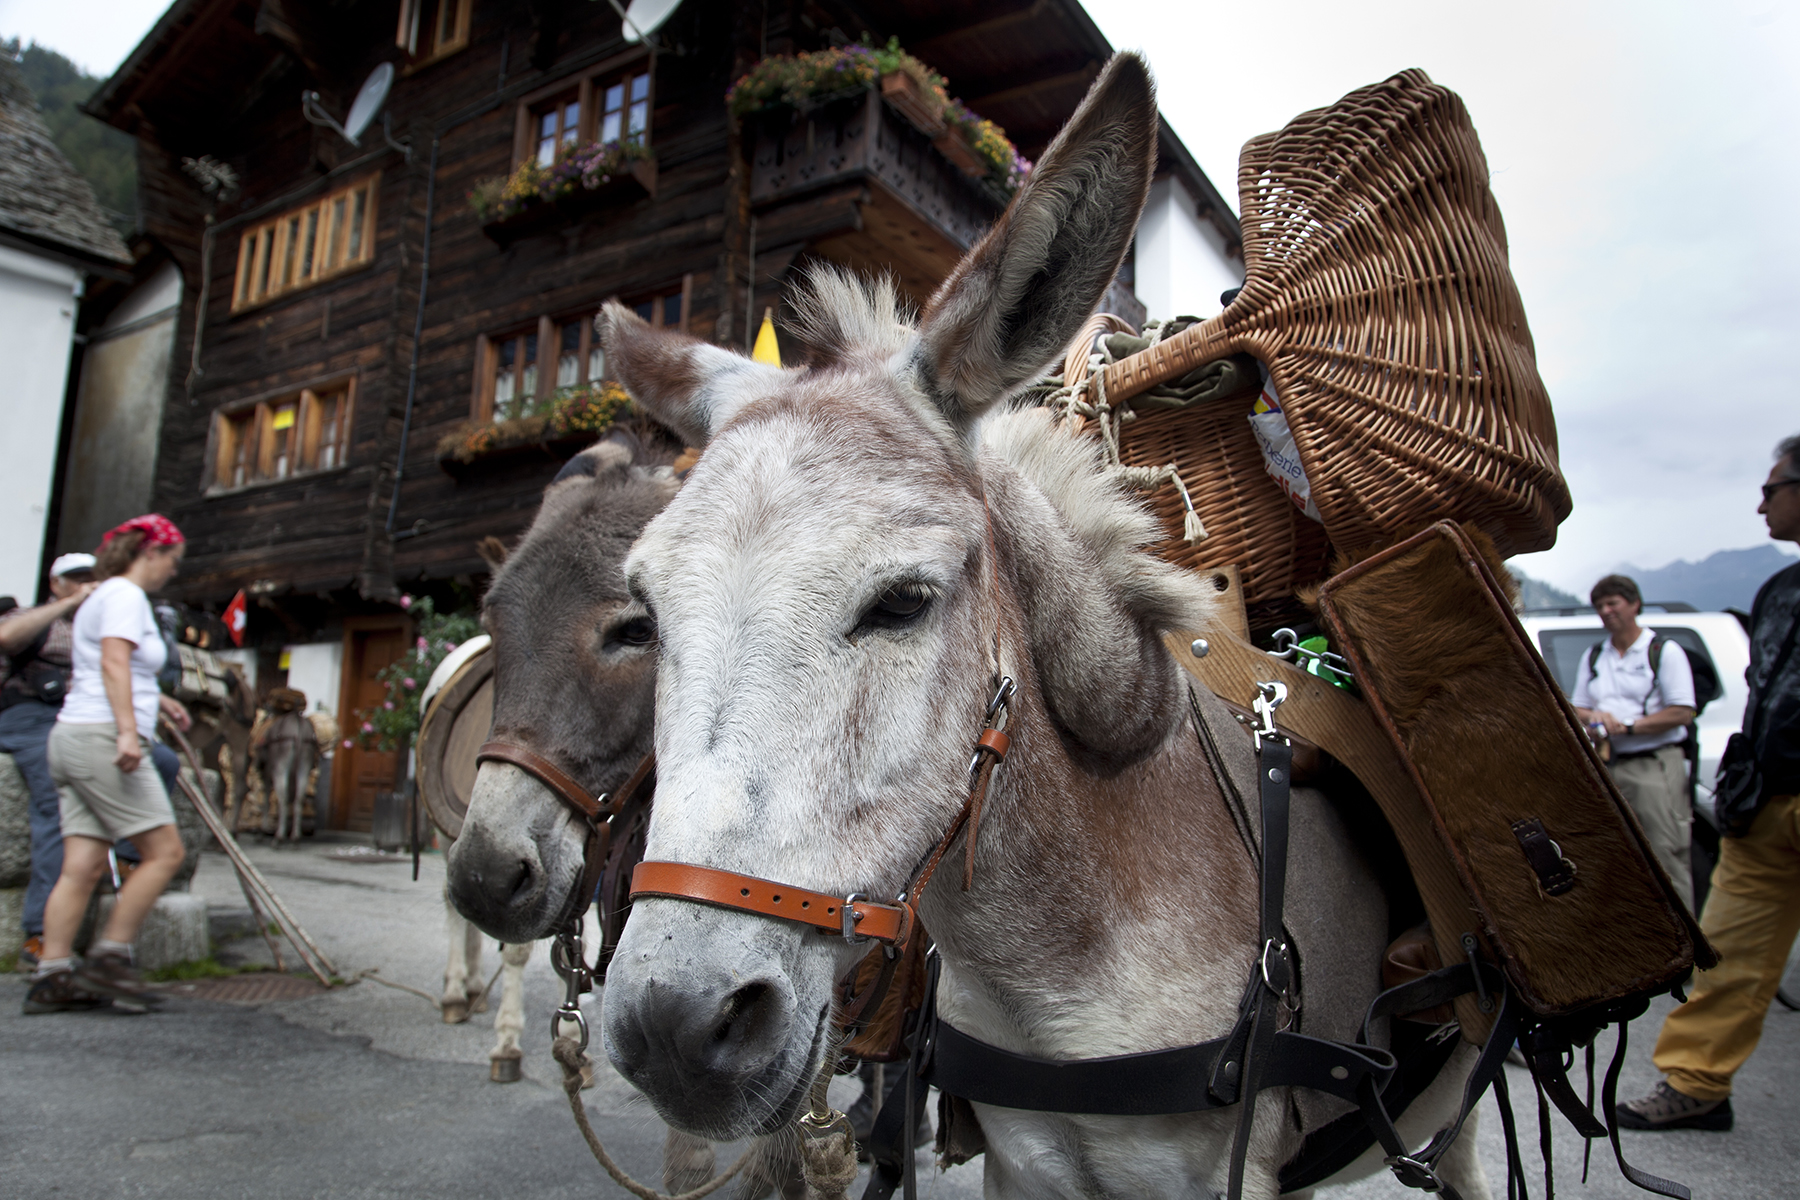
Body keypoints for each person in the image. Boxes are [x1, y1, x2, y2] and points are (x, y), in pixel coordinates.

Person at [1618, 434, 1800, 1131]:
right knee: (1728, 951)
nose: (1761, 503)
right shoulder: (1780, 589)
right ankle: (1697, 1084)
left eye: (1773, 487)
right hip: (1765, 801)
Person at [24, 516, 192, 1013]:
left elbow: (104, 666)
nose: (171, 572)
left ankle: (53, 974)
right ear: (150, 554)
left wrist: (156, 703)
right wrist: (126, 730)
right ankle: (110, 959)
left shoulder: (99, 598)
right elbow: (116, 661)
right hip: (103, 739)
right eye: (172, 561)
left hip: (71, 735)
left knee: (83, 865)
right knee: (164, 853)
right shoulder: (125, 596)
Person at [1571, 573, 1698, 905]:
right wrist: (1594, 717)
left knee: (1665, 854)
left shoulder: (1663, 651)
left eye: (1613, 603)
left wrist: (1627, 726)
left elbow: (1682, 712)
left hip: (1653, 763)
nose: (1606, 611)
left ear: (1634, 604)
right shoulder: (1595, 655)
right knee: (1617, 858)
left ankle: (1687, 943)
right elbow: (1578, 706)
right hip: (1606, 763)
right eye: (1600, 606)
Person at [1, 554, 98, 967]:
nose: (83, 586)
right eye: (73, 580)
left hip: (81, 717)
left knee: (162, 762)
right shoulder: (32, 616)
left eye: (89, 580)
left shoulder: (98, 628)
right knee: (58, 802)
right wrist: (67, 605)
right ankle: (40, 933)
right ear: (55, 584)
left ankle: (128, 863)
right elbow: (7, 639)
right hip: (27, 714)